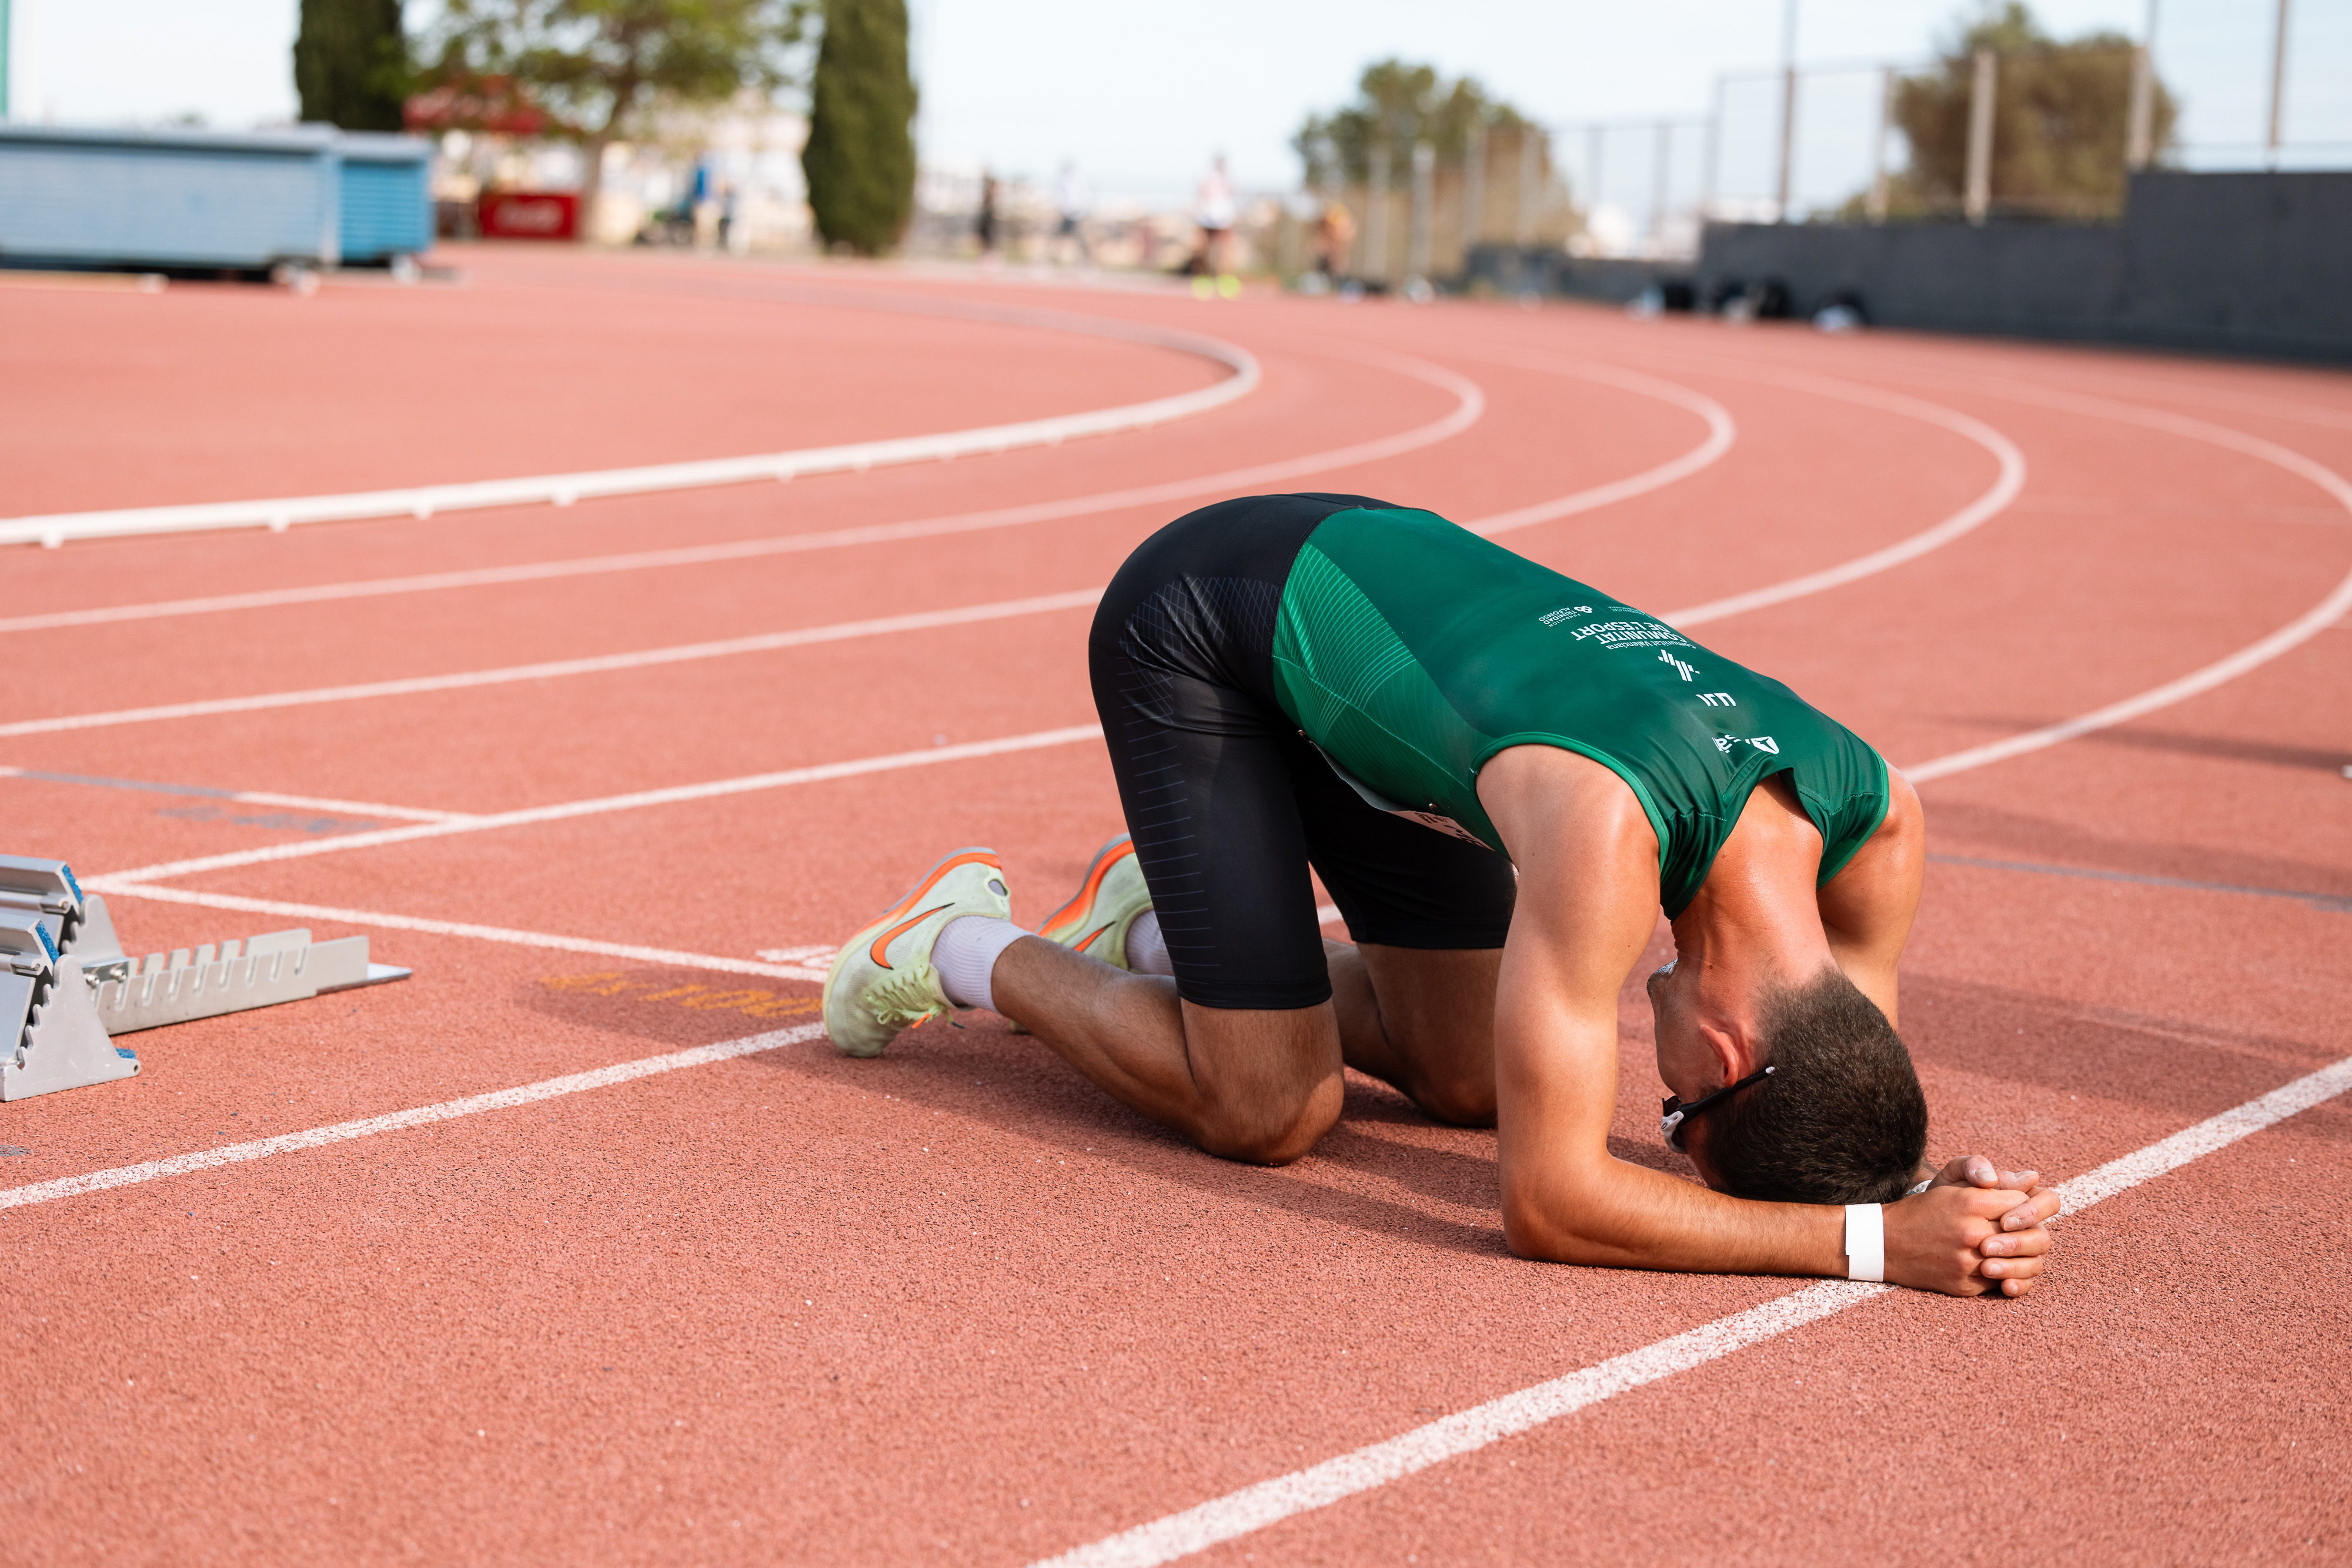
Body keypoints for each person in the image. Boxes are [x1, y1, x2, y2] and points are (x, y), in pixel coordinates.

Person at [820, 494, 2059, 1297]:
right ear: (1729, 1053)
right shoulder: (1610, 830)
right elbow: (1548, 1202)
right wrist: (1867, 1246)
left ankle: (1153, 930)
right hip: (1208, 619)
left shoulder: (1876, 817)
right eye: (1680, 1107)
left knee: (1473, 1075)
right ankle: (953, 941)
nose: (1661, 1094)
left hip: (1381, 638)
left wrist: (1899, 1185)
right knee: (1270, 1105)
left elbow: (1859, 1057)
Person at [1189, 155, 1237, 279]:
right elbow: (1201, 194)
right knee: (1202, 249)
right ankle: (1202, 276)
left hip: (1224, 219)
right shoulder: (1207, 177)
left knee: (1225, 250)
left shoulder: (1228, 179)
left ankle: (1224, 277)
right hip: (1206, 217)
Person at [1053, 162, 1094, 268]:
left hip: (1077, 215)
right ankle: (1052, 259)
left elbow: (1083, 197)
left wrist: (1079, 210)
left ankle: (1087, 262)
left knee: (1079, 238)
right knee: (1056, 236)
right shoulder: (1062, 183)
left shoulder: (1078, 182)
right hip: (1066, 214)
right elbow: (1060, 198)